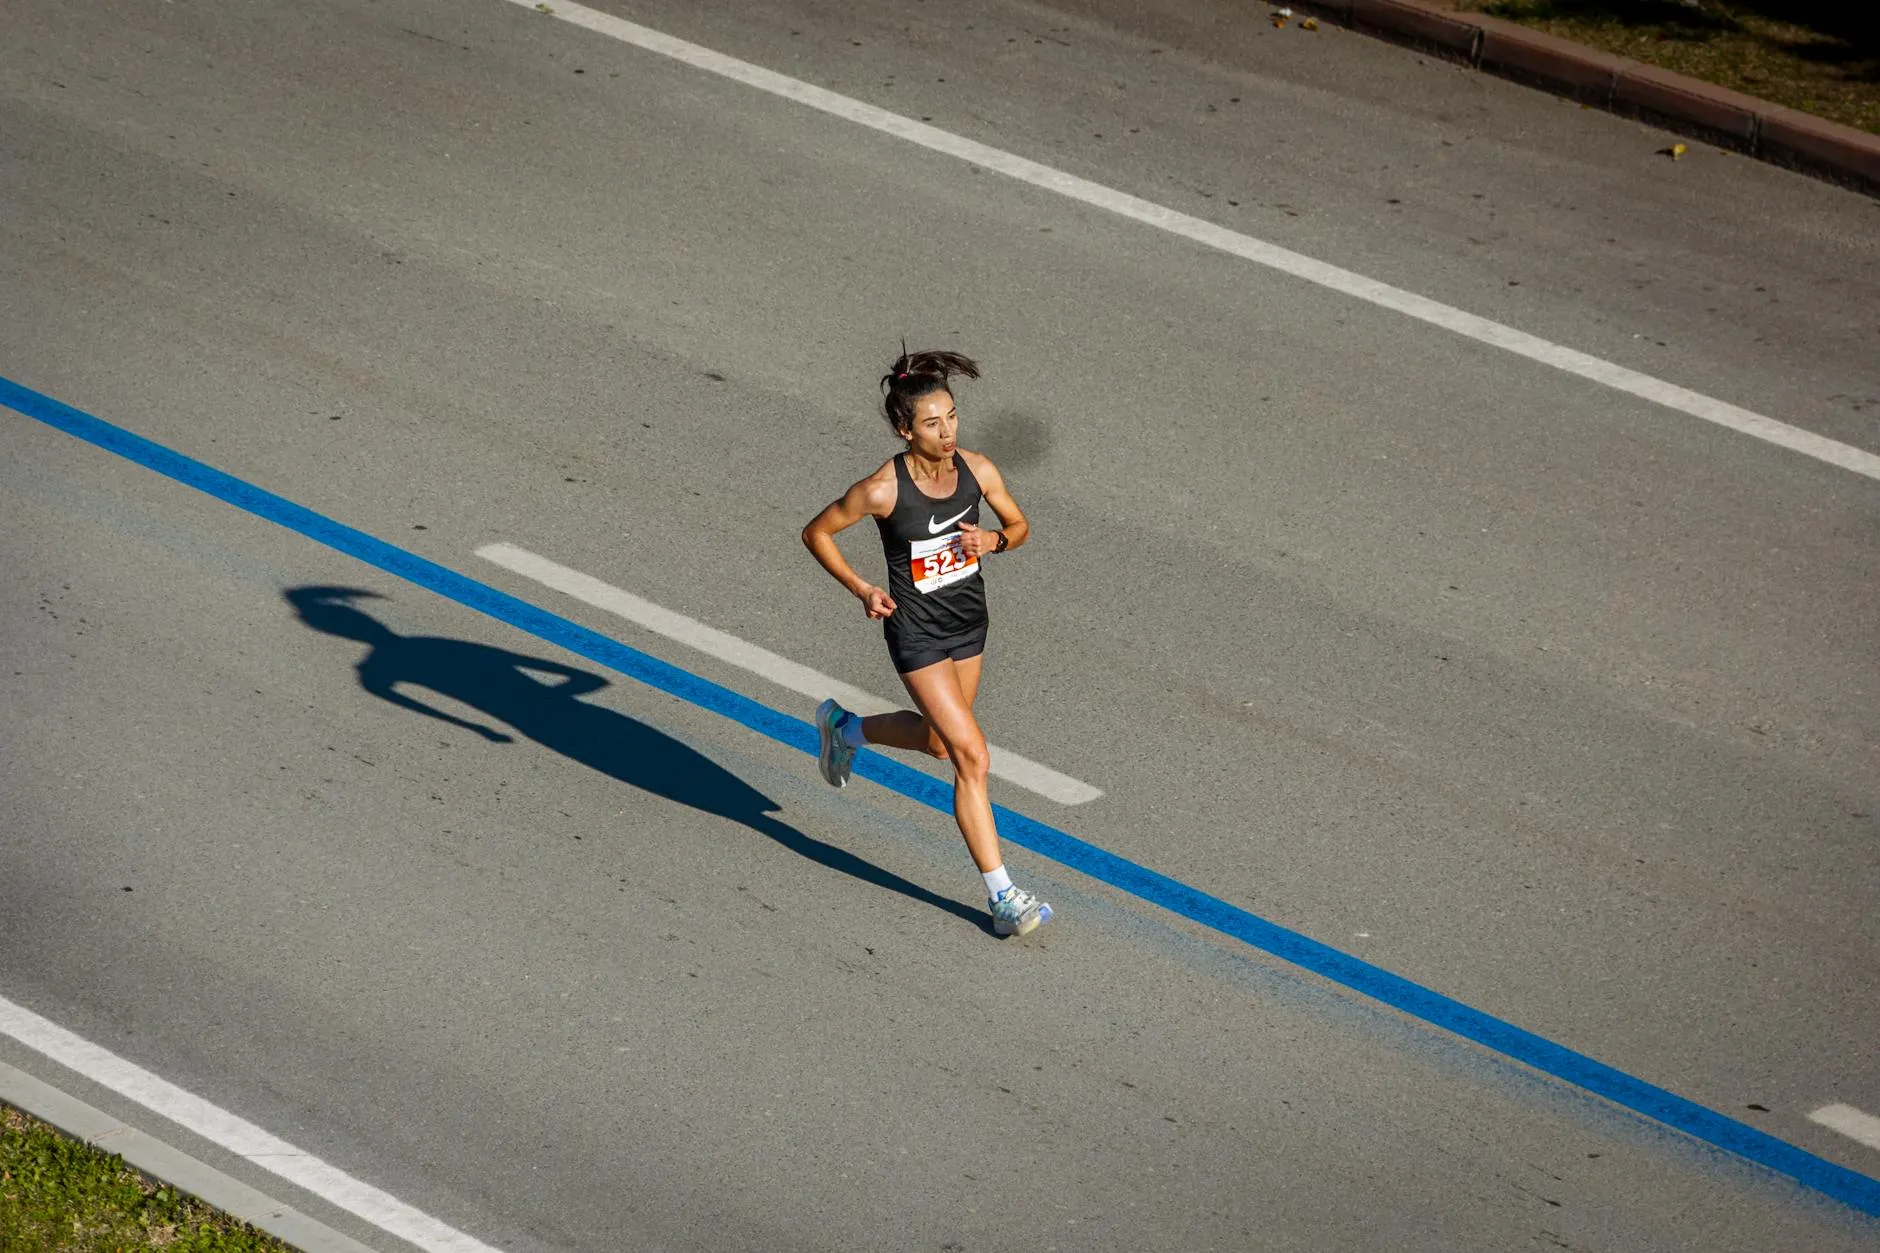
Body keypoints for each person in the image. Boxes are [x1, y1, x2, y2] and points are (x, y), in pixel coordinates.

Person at [800, 349, 1054, 937]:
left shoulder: (978, 470)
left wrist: (995, 542)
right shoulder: (882, 489)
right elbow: (817, 532)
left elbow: (1019, 527)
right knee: (973, 756)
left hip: (969, 625)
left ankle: (845, 730)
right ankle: (1004, 897)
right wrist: (862, 587)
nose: (948, 433)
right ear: (904, 429)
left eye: (953, 417)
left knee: (941, 745)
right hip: (916, 635)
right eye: (933, 423)